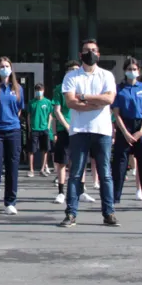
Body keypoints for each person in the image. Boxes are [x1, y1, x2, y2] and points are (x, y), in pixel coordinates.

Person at [59, 39, 118, 228]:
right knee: (75, 173)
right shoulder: (71, 77)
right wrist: (96, 103)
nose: (90, 53)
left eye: (93, 50)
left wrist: (83, 97)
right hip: (79, 131)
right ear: (80, 55)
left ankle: (109, 213)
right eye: (86, 50)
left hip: (102, 131)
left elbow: (109, 98)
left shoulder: (107, 75)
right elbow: (70, 102)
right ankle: (71, 214)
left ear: (98, 54)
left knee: (105, 174)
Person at [111, 58, 142, 212]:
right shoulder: (118, 89)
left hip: (141, 127)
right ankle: (113, 199)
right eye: (130, 69)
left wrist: (141, 131)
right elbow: (116, 112)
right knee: (120, 164)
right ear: (125, 71)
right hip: (124, 126)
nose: (132, 71)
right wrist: (125, 132)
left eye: (135, 69)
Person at [0, 57, 24, 216]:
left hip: (13, 131)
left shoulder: (18, 88)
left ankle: (10, 202)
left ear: (11, 69)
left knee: (12, 167)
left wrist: (10, 121)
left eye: (7, 66)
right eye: (1, 66)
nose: (4, 68)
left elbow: (19, 109)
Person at [52, 60, 94, 206]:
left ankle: (81, 191)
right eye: (71, 70)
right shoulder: (59, 89)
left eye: (77, 69)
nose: (74, 72)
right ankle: (61, 192)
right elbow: (57, 111)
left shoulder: (83, 88)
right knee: (62, 162)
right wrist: (67, 126)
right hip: (65, 130)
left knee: (79, 161)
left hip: (81, 129)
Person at [27, 83, 53, 178]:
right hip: (34, 129)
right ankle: (31, 170)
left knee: (45, 149)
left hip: (44, 129)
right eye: (37, 90)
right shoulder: (32, 102)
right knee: (31, 150)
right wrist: (30, 128)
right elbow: (29, 116)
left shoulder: (48, 102)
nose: (39, 91)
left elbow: (50, 115)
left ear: (43, 90)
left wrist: (48, 127)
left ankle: (42, 169)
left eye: (40, 89)